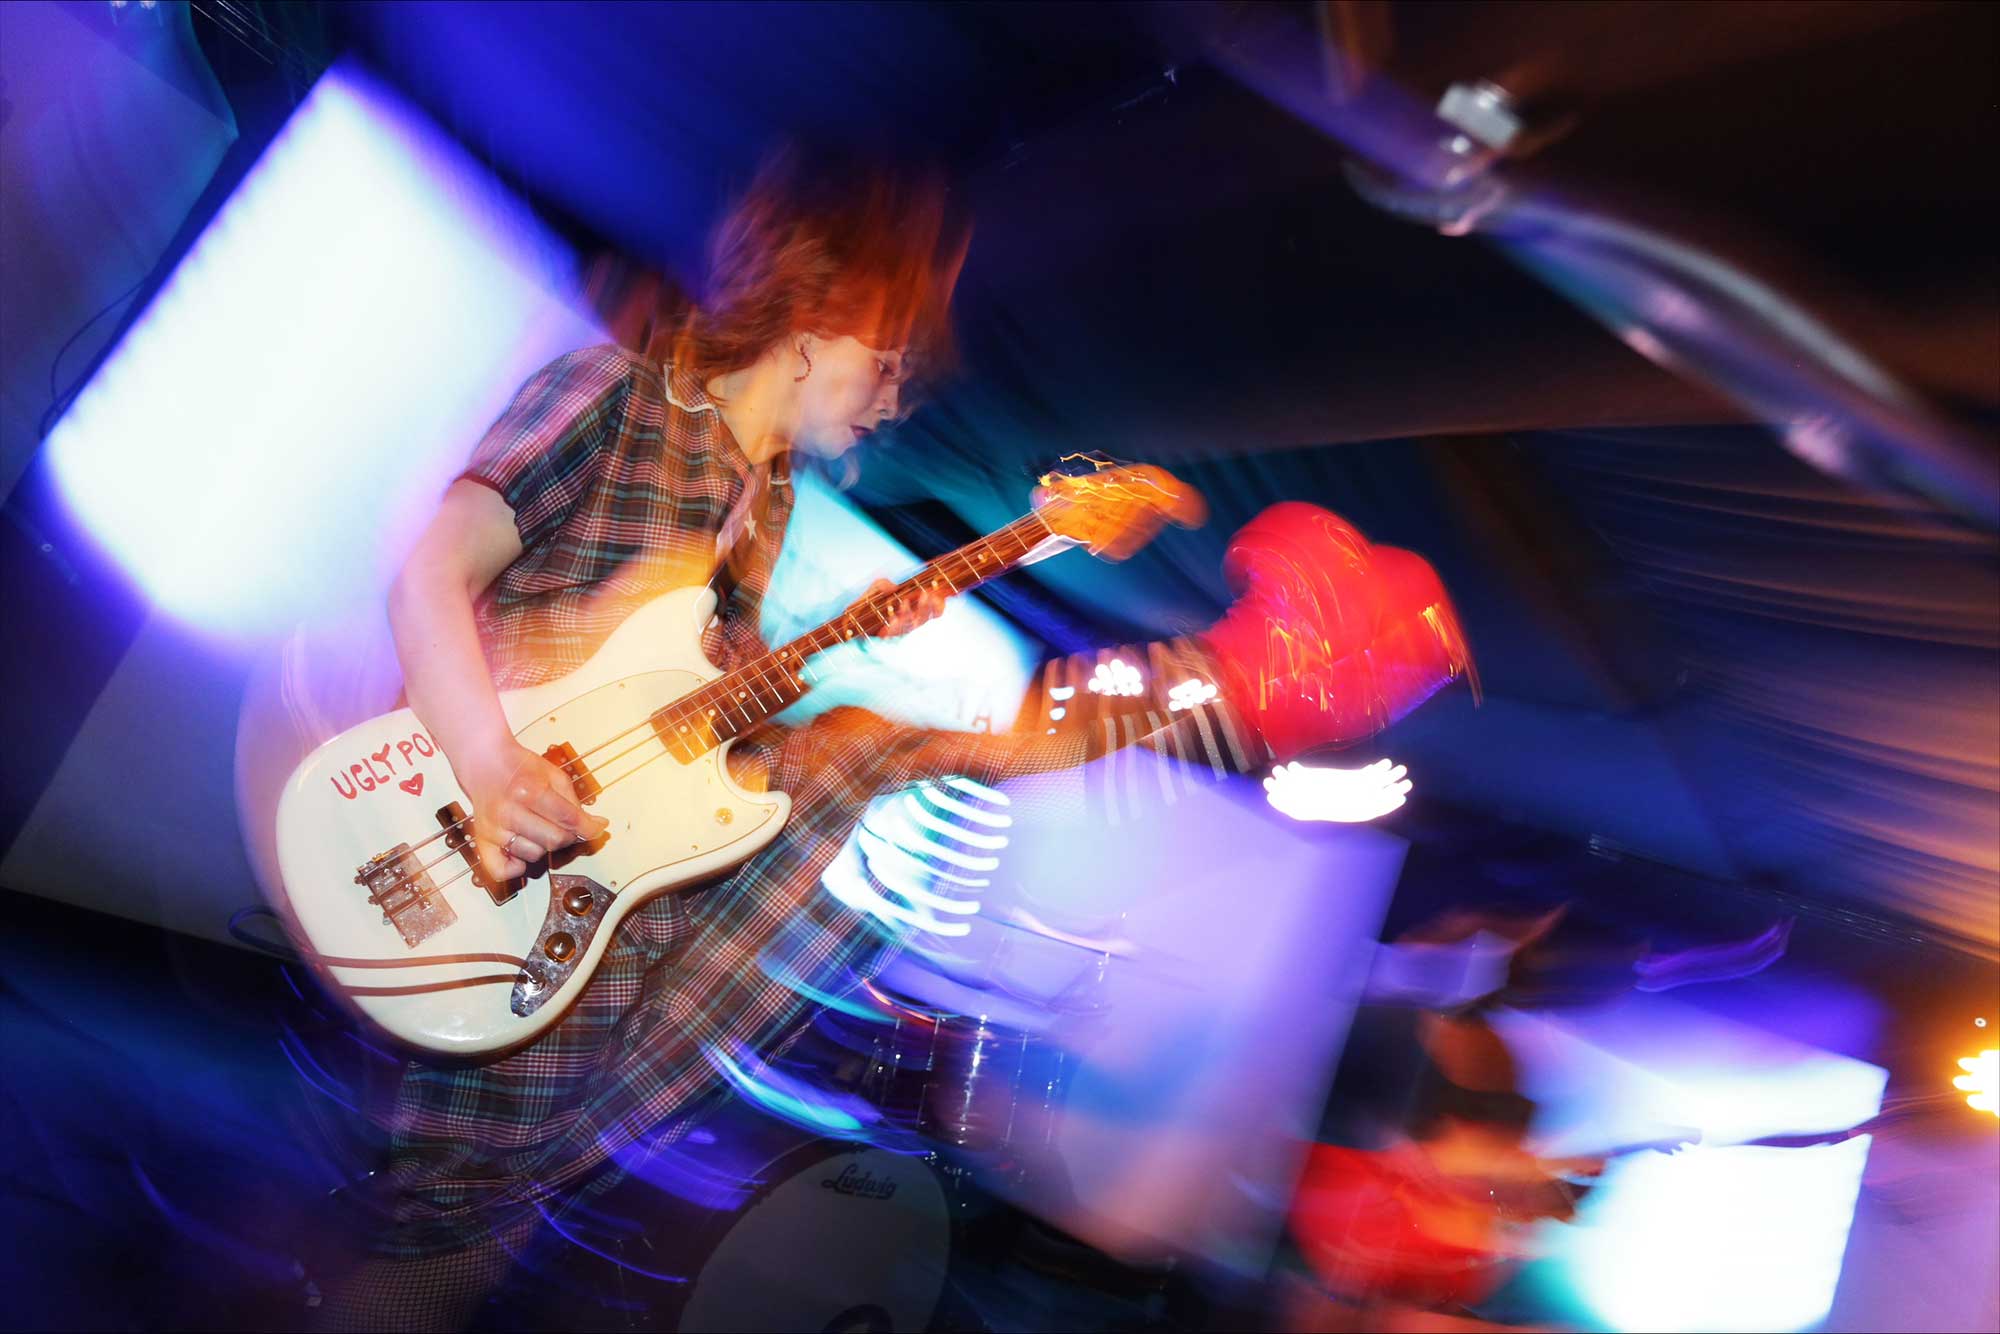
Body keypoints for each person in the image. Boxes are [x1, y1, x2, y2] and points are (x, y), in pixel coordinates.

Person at [310, 156, 1245, 1331]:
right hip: (488, 839)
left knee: (502, 1197)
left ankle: (1024, 745)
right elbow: (431, 575)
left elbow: (699, 696)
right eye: (888, 362)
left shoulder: (774, 494)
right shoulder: (616, 396)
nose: (896, 399)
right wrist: (495, 773)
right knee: (452, 1205)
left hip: (614, 876)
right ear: (811, 321)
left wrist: (845, 633)